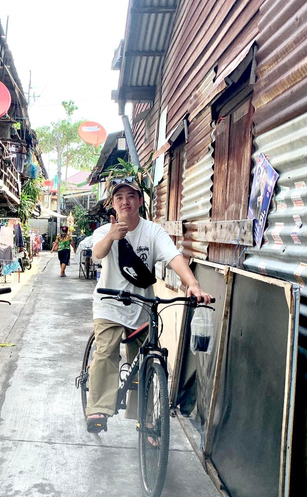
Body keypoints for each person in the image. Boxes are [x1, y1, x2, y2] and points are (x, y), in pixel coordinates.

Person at [85, 176, 212, 433]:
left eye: (131, 196)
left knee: (146, 361)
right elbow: (98, 253)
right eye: (119, 197)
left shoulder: (152, 231)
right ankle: (98, 406)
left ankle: (146, 418)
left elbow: (174, 257)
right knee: (106, 351)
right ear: (113, 203)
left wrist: (193, 285)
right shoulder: (104, 230)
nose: (125, 202)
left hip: (141, 306)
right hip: (109, 304)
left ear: (140, 201)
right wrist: (111, 236)